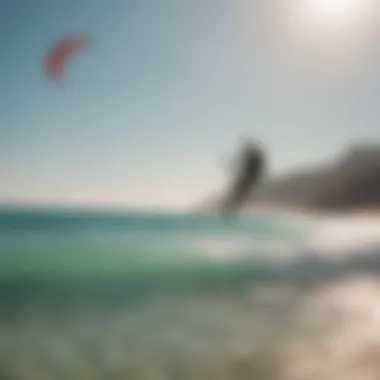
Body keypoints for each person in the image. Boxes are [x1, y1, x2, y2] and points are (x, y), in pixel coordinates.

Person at [221, 139, 266, 214]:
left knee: (238, 195)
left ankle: (231, 207)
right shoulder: (243, 184)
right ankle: (232, 207)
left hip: (247, 181)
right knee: (238, 195)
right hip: (247, 181)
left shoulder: (243, 185)